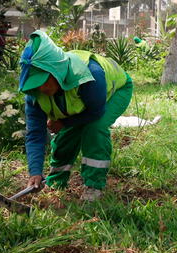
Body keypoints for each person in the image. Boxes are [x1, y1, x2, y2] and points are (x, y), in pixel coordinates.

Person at [19, 30, 133, 201]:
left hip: (116, 90)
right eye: (35, 84)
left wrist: (65, 123)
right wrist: (34, 172)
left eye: (43, 81)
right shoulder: (34, 95)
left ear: (56, 71)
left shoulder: (91, 75)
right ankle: (56, 181)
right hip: (83, 103)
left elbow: (95, 112)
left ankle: (94, 185)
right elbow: (35, 134)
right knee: (66, 133)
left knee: (94, 127)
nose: (41, 89)